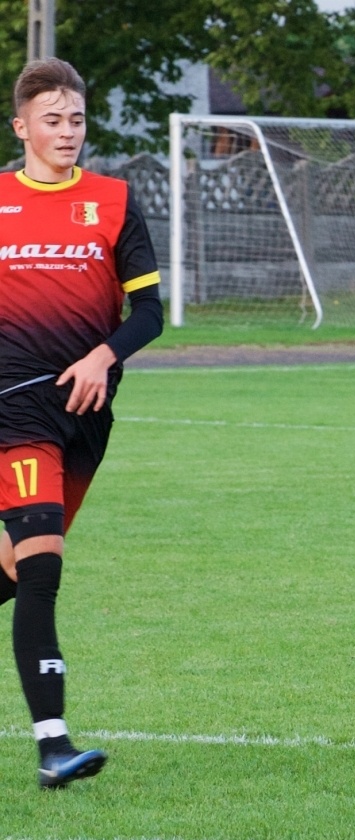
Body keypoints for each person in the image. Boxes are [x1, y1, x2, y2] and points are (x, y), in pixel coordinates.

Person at [1, 59, 163, 788]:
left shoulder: (113, 201)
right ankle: (53, 745)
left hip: (86, 418)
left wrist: (104, 355)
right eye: (52, 120)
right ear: (22, 128)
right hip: (14, 409)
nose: (67, 132)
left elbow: (151, 313)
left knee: (13, 572)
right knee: (41, 569)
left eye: (76, 119)